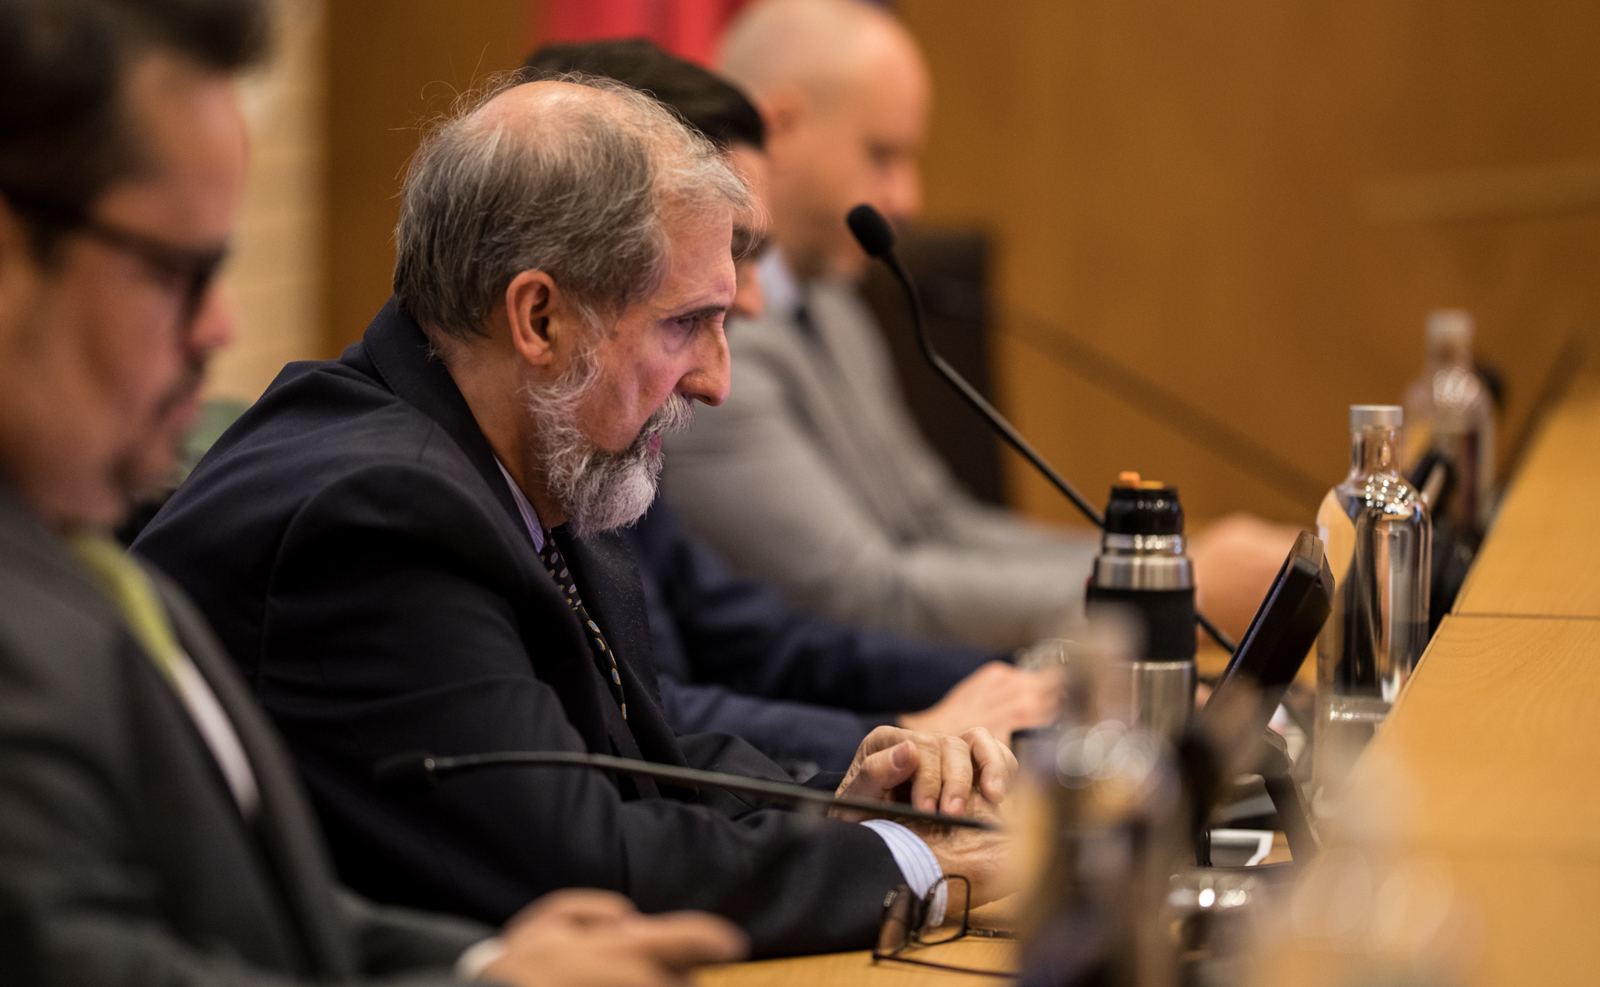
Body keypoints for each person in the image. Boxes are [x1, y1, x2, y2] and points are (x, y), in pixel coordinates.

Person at [134, 71, 1016, 958]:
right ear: (541, 318)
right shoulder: (377, 516)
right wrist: (920, 867)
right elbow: (576, 864)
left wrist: (845, 806)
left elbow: (629, 755)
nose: (717, 380)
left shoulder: (520, 458)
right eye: (686, 324)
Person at [0, 0, 746, 983]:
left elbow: (274, 921)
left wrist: (482, 968)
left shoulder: (71, 558)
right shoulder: (372, 505)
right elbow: (75, 962)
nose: (221, 328)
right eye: (181, 271)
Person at [662, 0, 1298, 651]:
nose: (908, 200)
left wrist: (1156, 563)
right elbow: (867, 596)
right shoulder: (710, 350)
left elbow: (938, 522)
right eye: (882, 155)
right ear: (782, 126)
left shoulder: (832, 305)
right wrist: (1158, 589)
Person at [522, 38, 1059, 773]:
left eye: (750, 254)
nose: (753, 300)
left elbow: (758, 639)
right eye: (730, 255)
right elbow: (638, 723)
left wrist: (1019, 683)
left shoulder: (607, 436)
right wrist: (904, 733)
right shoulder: (437, 491)